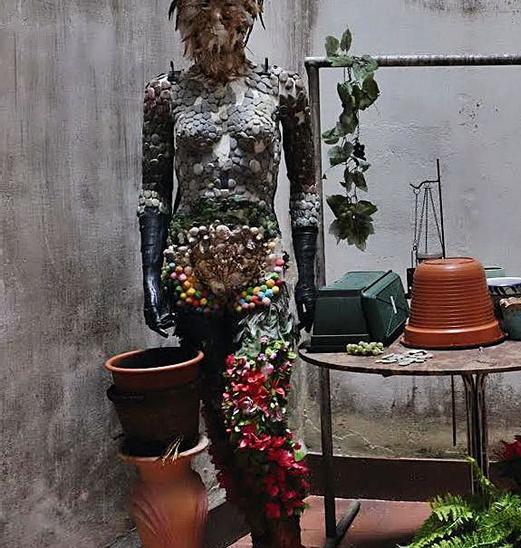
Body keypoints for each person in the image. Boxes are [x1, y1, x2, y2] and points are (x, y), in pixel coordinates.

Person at [139, 1, 318, 545]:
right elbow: (154, 189)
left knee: (256, 411)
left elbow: (306, 186)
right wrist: (150, 272)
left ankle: (283, 536)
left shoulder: (283, 91)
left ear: (247, 16)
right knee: (219, 414)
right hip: (189, 273)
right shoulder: (164, 95)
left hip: (260, 270)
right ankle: (263, 531)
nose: (217, 16)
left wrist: (307, 273)